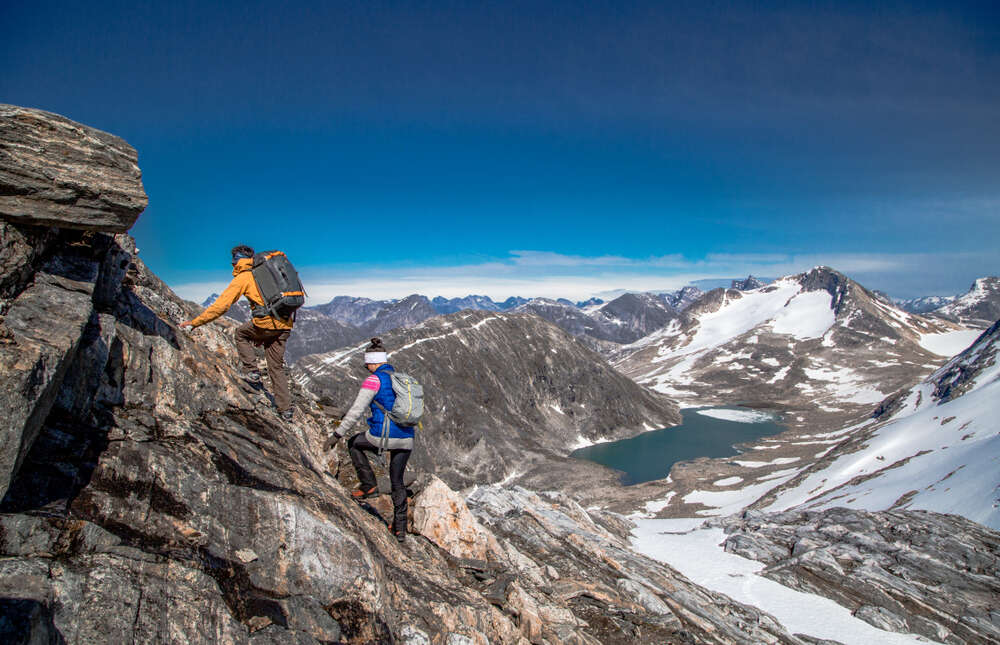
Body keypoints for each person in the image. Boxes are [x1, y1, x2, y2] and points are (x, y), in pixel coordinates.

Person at [180, 245, 295, 421]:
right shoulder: (267, 273)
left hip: (266, 324)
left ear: (237, 261)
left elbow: (221, 306)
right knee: (276, 368)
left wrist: (195, 323)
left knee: (241, 333)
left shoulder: (244, 277)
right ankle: (285, 410)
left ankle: (251, 371)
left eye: (233, 260)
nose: (232, 264)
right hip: (284, 325)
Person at [325, 338, 414, 543]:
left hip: (382, 436)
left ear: (374, 362)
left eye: (367, 363)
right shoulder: (402, 378)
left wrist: (336, 435)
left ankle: (368, 485)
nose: (366, 367)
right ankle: (400, 530)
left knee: (354, 443)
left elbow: (356, 410)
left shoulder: (374, 380)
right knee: (397, 481)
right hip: (407, 438)